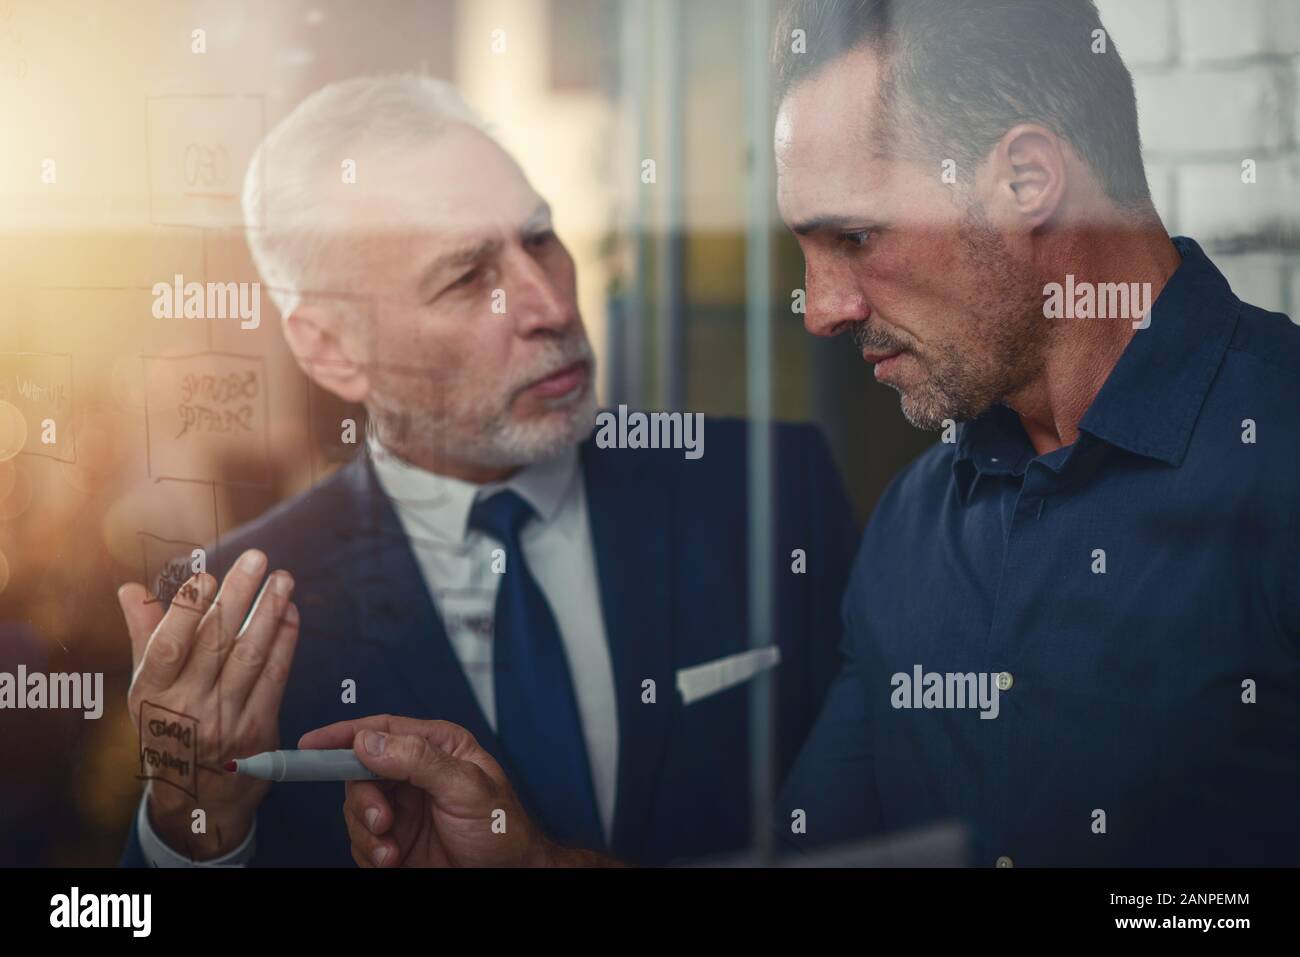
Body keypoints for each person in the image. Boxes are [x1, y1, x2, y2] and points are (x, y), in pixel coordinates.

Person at [314, 0, 1300, 870]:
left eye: (853, 237)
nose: (820, 308)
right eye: (804, 248)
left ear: (1027, 179)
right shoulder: (915, 528)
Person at [116, 74, 857, 867]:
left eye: (538, 237)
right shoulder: (239, 616)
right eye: (468, 278)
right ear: (332, 347)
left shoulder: (771, 488)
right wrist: (196, 829)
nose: (549, 305)